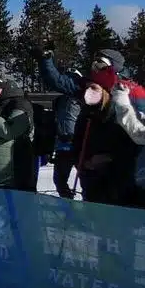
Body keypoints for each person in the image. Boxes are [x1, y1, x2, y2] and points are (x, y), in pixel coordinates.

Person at [72, 65, 140, 206]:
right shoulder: (86, 116)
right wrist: (86, 163)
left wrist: (109, 159)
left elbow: (134, 149)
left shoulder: (123, 114)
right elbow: (76, 147)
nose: (90, 93)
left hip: (119, 188)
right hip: (92, 186)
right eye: (89, 88)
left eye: (95, 88)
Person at [51, 70, 83, 198]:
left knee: (88, 180)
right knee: (59, 180)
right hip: (63, 145)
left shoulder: (83, 98)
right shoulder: (59, 100)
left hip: (79, 145)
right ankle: (68, 204)